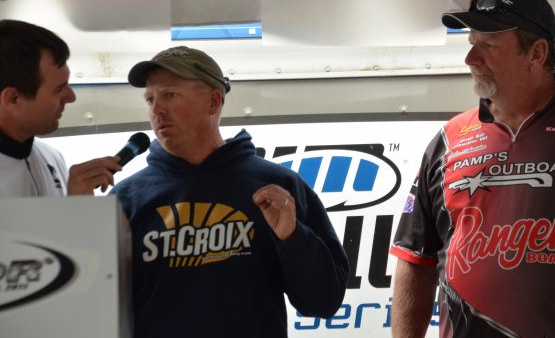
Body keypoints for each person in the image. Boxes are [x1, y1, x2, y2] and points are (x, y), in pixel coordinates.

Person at [389, 0, 555, 337]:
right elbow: (415, 258)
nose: (471, 58)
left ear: (537, 53)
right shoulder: (450, 138)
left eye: (489, 45)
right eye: (471, 43)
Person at [110, 46, 348, 337]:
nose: (156, 110)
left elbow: (324, 301)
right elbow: (96, 312)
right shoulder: (125, 199)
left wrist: (293, 237)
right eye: (150, 99)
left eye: (170, 95)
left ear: (213, 101)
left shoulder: (277, 185)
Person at [0, 19, 123, 198]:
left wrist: (74, 204)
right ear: (13, 99)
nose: (71, 97)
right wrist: (73, 207)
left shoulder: (51, 156)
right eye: (59, 89)